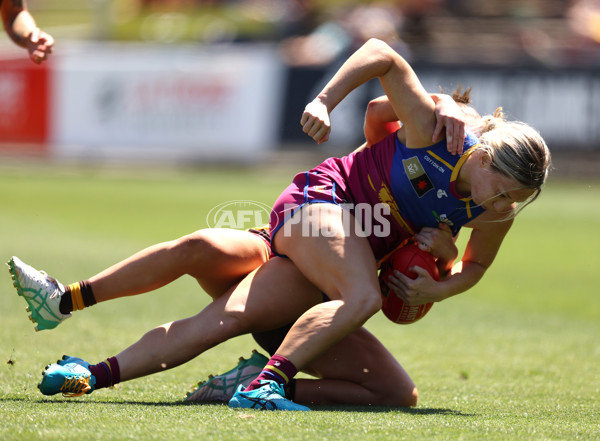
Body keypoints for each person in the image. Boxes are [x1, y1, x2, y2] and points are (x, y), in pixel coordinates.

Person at [8, 89, 468, 408]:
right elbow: (377, 104)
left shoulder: (458, 207)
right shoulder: (403, 142)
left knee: (397, 395)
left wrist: (445, 259)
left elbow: (408, 289)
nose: (440, 136)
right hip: (288, 245)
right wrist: (440, 102)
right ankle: (62, 300)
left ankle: (94, 373)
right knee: (199, 246)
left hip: (310, 293)